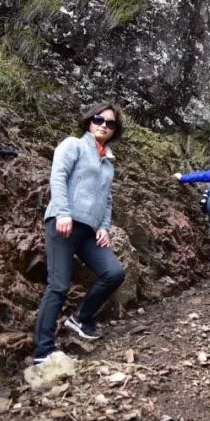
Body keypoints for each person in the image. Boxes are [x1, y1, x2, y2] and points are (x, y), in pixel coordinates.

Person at [33, 103, 127, 365]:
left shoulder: (108, 162)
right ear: (89, 121)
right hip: (63, 223)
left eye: (110, 123)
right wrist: (63, 212)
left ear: (114, 130)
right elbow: (58, 176)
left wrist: (104, 227)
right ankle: (42, 351)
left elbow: (107, 199)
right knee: (59, 285)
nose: (103, 125)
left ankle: (80, 318)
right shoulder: (73, 145)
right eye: (99, 119)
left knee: (114, 272)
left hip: (89, 231)